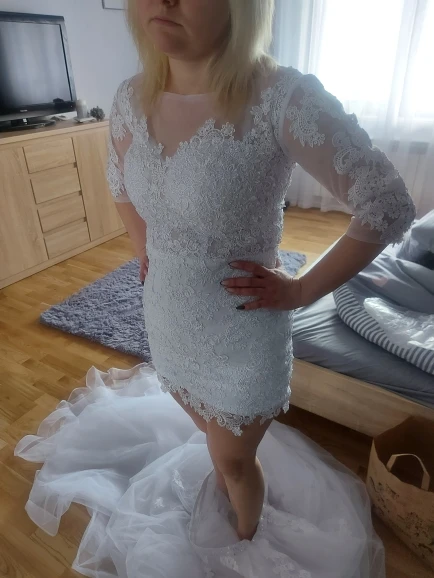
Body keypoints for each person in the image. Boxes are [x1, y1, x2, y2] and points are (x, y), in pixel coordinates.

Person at [16, 0, 415, 576]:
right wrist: (145, 252)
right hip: (167, 314)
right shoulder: (129, 97)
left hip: (242, 328)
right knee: (210, 434)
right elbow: (119, 183)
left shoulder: (283, 97)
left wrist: (302, 291)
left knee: (233, 460)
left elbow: (386, 203)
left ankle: (244, 547)